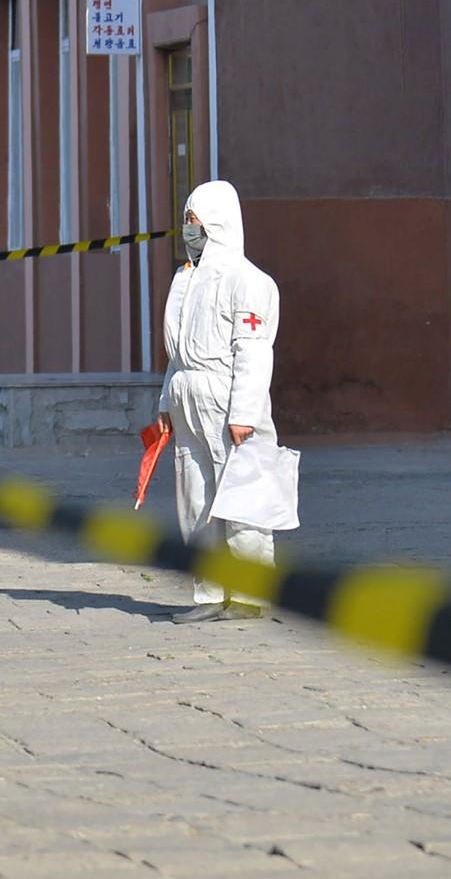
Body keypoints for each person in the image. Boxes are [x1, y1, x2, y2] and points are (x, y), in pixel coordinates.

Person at [157, 179, 297, 623]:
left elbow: (254, 352)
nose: (188, 229)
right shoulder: (186, 279)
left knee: (243, 498)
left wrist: (244, 414)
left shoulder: (249, 281)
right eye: (185, 221)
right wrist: (166, 401)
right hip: (188, 396)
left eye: (194, 221)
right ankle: (209, 592)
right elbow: (177, 350)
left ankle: (250, 595)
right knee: (195, 499)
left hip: (227, 397)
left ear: (216, 223)